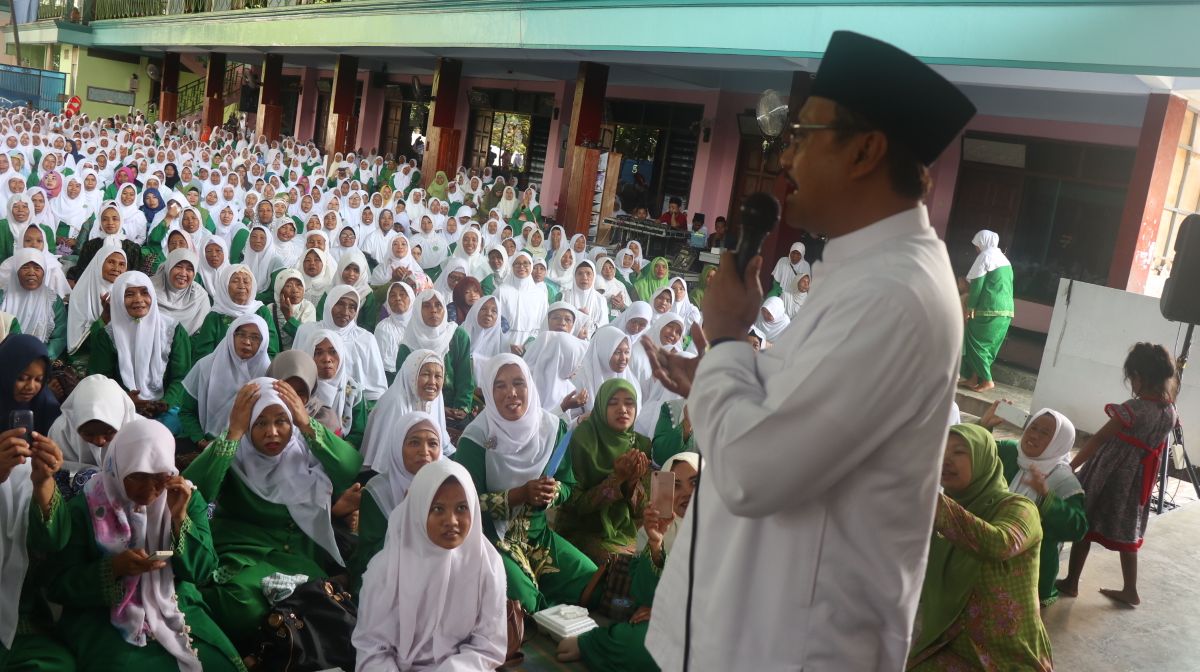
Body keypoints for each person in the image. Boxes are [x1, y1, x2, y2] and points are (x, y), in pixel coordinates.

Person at [641, 31, 975, 670]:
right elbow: (807, 397)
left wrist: (731, 341)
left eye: (803, 134)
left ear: (866, 151)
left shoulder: (894, 293)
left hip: (794, 646)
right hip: (759, 630)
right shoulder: (866, 269)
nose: (785, 157)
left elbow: (751, 472)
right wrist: (720, 369)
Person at [45, 417, 244, 671]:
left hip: (174, 602)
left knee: (219, 665)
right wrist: (114, 569)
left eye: (161, 478)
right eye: (138, 476)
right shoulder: (86, 508)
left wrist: (179, 518)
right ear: (119, 467)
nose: (150, 491)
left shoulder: (184, 498)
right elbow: (57, 584)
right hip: (102, 614)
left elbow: (202, 571)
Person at [183, 378, 362, 650]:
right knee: (241, 607)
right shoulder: (234, 455)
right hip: (245, 557)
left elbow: (350, 467)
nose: (273, 432)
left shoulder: (305, 454)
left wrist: (306, 423)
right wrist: (233, 433)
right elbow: (193, 491)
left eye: (282, 421)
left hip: (299, 559)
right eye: (260, 423)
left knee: (320, 605)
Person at [453, 354, 597, 613]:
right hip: (491, 540)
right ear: (488, 390)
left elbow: (567, 484)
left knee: (590, 578)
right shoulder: (476, 438)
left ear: (530, 385)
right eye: (500, 386)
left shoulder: (552, 429)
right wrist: (519, 495)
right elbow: (463, 506)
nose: (511, 393)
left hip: (538, 534)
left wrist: (552, 493)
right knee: (523, 605)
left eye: (519, 383)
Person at [907, 424, 1052, 670]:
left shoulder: (1019, 508)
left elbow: (1000, 543)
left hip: (1006, 655)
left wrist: (930, 499)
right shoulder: (941, 513)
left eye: (959, 452)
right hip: (947, 643)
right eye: (941, 452)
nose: (946, 460)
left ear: (983, 457)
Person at [353, 460, 507, 671]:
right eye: (437, 509)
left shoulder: (487, 563)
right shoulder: (386, 569)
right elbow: (372, 650)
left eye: (462, 508)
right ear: (418, 509)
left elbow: (488, 646)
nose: (451, 520)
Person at [1058, 342, 1179, 607]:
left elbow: (1100, 438)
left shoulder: (1133, 409)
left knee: (1085, 522)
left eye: (1131, 378)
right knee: (1127, 528)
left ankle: (1071, 582)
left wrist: (1073, 465)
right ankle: (1130, 589)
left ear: (1140, 377)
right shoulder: (1169, 410)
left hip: (1109, 472)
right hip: (1137, 478)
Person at [558, 452, 701, 671]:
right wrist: (656, 544)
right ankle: (594, 643)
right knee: (640, 645)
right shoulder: (651, 532)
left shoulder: (731, 527)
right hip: (669, 623)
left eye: (695, 482)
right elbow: (643, 595)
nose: (687, 493)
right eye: (676, 485)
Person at [0, 344, 73, 671]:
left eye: (38, 379)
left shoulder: (45, 410)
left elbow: (52, 542)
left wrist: (43, 481)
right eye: (21, 377)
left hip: (22, 604)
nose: (30, 387)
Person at [978, 401, 1088, 606]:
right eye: (1033, 427)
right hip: (987, 554)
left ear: (1059, 441)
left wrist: (1047, 497)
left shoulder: (1063, 481)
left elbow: (1078, 529)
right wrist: (984, 425)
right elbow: (972, 451)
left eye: (1045, 433)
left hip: (1030, 575)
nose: (1034, 435)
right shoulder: (1009, 452)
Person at [557, 378, 651, 563]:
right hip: (583, 528)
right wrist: (616, 479)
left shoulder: (641, 444)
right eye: (613, 403)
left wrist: (632, 483)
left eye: (629, 403)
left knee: (655, 559)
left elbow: (641, 511)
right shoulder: (583, 440)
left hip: (624, 526)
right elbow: (574, 505)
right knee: (615, 562)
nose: (623, 409)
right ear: (600, 407)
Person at [351, 410, 448, 592]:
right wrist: (405, 519)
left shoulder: (448, 488)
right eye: (414, 442)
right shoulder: (379, 491)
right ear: (397, 447)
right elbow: (367, 558)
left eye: (433, 443)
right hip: (387, 579)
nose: (424, 452)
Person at [85, 271, 192, 427]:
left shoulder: (172, 330)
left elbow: (181, 377)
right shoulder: (108, 335)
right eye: (129, 294)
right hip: (121, 403)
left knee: (171, 424)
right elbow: (101, 378)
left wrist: (165, 403)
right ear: (118, 299)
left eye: (144, 292)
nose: (138, 300)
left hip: (166, 406)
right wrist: (126, 399)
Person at [179, 314, 271, 449]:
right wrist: (200, 441)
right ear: (231, 336)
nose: (246, 341)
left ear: (264, 342)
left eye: (255, 337)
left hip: (251, 449)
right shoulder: (205, 367)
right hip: (207, 443)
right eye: (241, 335)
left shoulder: (268, 374)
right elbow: (186, 411)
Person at [393, 289, 475, 424]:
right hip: (416, 407)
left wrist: (462, 407)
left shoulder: (458, 336)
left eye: (438, 305)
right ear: (418, 311)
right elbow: (404, 388)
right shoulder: (408, 344)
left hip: (454, 409)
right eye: (426, 306)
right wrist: (438, 408)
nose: (433, 310)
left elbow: (465, 378)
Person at [959, 229, 1014, 393]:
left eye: (977, 245)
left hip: (989, 308)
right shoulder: (1005, 260)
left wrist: (969, 308)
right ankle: (974, 379)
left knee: (974, 343)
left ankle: (987, 381)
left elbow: (977, 285)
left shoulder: (985, 256)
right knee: (987, 346)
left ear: (982, 242)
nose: (976, 249)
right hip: (1006, 310)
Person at [191, 265, 280, 360]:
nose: (242, 286)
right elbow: (203, 356)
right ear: (225, 285)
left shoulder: (261, 311)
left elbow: (272, 351)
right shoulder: (215, 316)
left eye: (246, 281)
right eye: (235, 281)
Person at [0, 248, 67, 359]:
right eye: (25, 267)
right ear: (16, 271)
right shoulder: (3, 298)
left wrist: (39, 359)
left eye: (37, 268)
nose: (31, 273)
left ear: (44, 272)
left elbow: (59, 338)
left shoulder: (53, 301)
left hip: (38, 362)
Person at [151, 248, 211, 336]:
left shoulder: (199, 296)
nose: (183, 273)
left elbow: (203, 333)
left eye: (189, 269)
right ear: (168, 266)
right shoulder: (148, 289)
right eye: (178, 267)